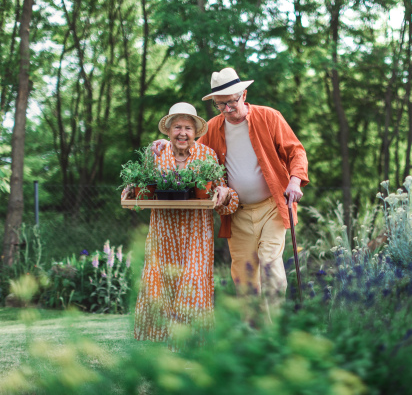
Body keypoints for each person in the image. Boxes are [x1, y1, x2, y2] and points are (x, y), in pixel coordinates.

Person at [154, 68, 309, 323]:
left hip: (272, 206)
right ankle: (256, 333)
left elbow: (296, 152)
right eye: (220, 105)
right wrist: (161, 146)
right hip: (237, 213)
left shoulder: (269, 117)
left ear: (243, 95)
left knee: (270, 266)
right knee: (244, 276)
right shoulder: (214, 128)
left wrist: (294, 181)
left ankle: (278, 330)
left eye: (231, 102)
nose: (226, 109)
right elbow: (191, 155)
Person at [124, 102, 239, 348]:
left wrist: (222, 192)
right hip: (163, 232)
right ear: (168, 131)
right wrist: (131, 189)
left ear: (196, 132)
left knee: (194, 281)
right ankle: (163, 343)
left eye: (188, 127)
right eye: (177, 127)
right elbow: (143, 188)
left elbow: (223, 192)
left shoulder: (207, 156)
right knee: (162, 283)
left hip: (197, 232)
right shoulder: (155, 156)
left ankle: (191, 343)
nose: (182, 133)